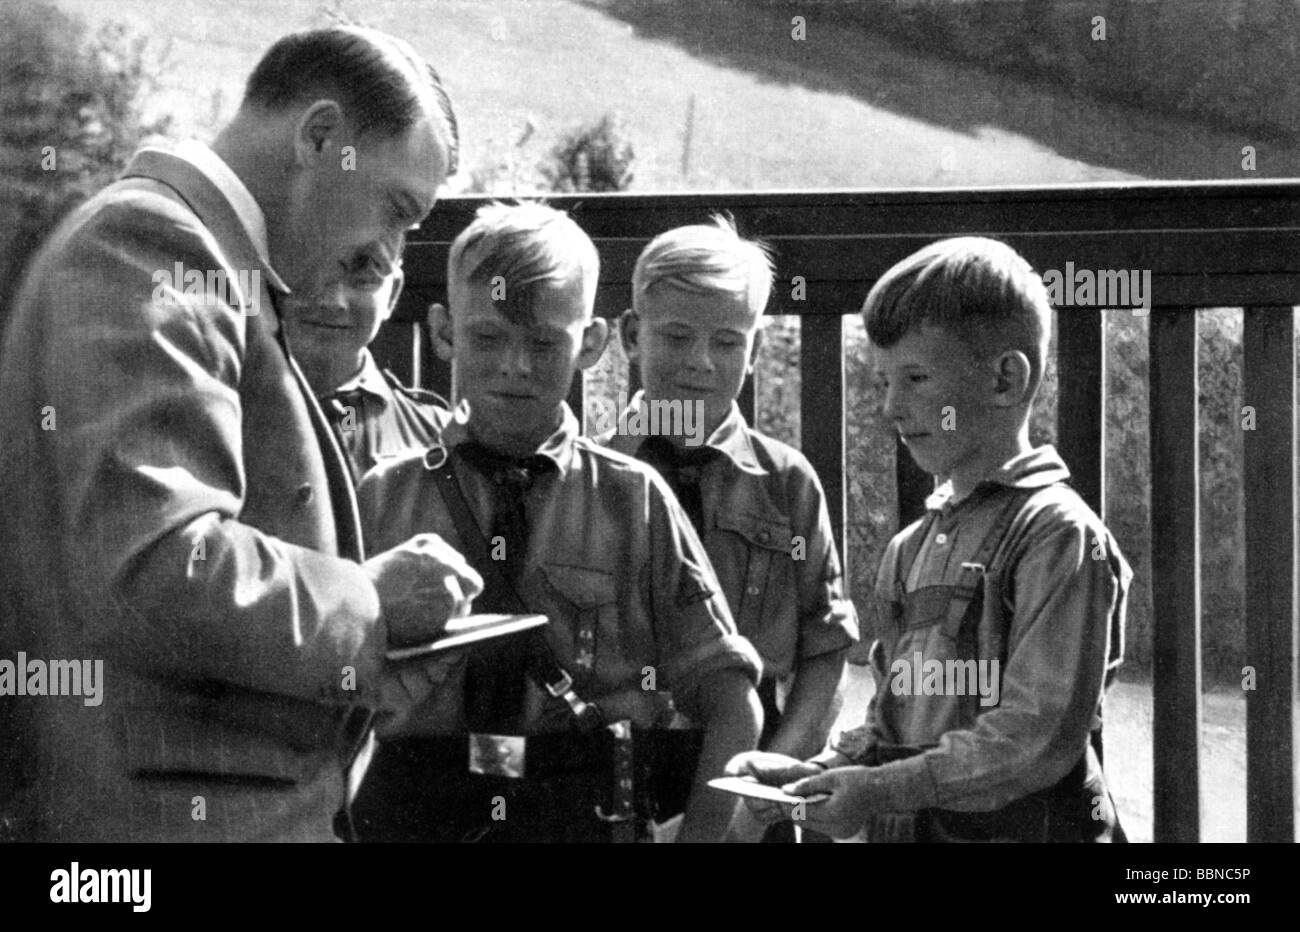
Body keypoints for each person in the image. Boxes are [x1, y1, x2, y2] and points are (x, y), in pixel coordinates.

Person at [0, 25, 483, 842]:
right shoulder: (153, 249)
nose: (389, 251)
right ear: (321, 138)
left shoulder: (208, 262)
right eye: (398, 212)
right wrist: (369, 601)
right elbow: (153, 564)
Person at [350, 202, 764, 843]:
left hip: (578, 806)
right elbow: (323, 678)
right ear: (444, 333)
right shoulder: (385, 497)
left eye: (543, 343)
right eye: (488, 338)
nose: (516, 366)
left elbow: (733, 705)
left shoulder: (632, 500)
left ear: (591, 345)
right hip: (412, 808)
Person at [728, 236, 1131, 843]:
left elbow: (1035, 739)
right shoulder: (910, 549)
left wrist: (882, 791)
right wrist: (812, 777)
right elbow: (888, 728)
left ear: (1004, 379)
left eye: (914, 378)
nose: (891, 406)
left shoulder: (1060, 537)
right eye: (884, 381)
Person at [598, 216, 857, 842]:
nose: (700, 364)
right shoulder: (594, 477)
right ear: (633, 335)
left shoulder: (786, 482)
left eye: (726, 342)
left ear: (756, 349)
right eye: (677, 337)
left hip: (751, 766)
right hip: (622, 761)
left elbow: (826, 652)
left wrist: (765, 787)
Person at [281, 261, 450, 482]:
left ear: (392, 296)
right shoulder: (227, 411)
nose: (332, 302)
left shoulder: (440, 434)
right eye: (307, 276)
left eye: (362, 281)